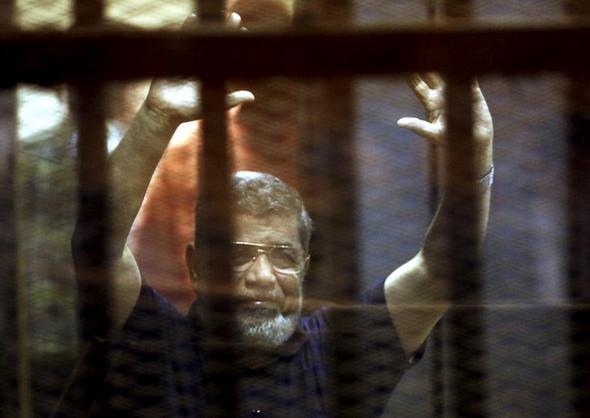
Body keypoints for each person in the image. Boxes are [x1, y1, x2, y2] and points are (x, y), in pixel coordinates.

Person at [58, 12, 494, 418]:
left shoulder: (338, 355)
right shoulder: (155, 345)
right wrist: (156, 118)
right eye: (237, 255)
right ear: (196, 267)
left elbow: (440, 272)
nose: (262, 277)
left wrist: (475, 160)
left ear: (305, 265)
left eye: (284, 256)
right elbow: (98, 247)